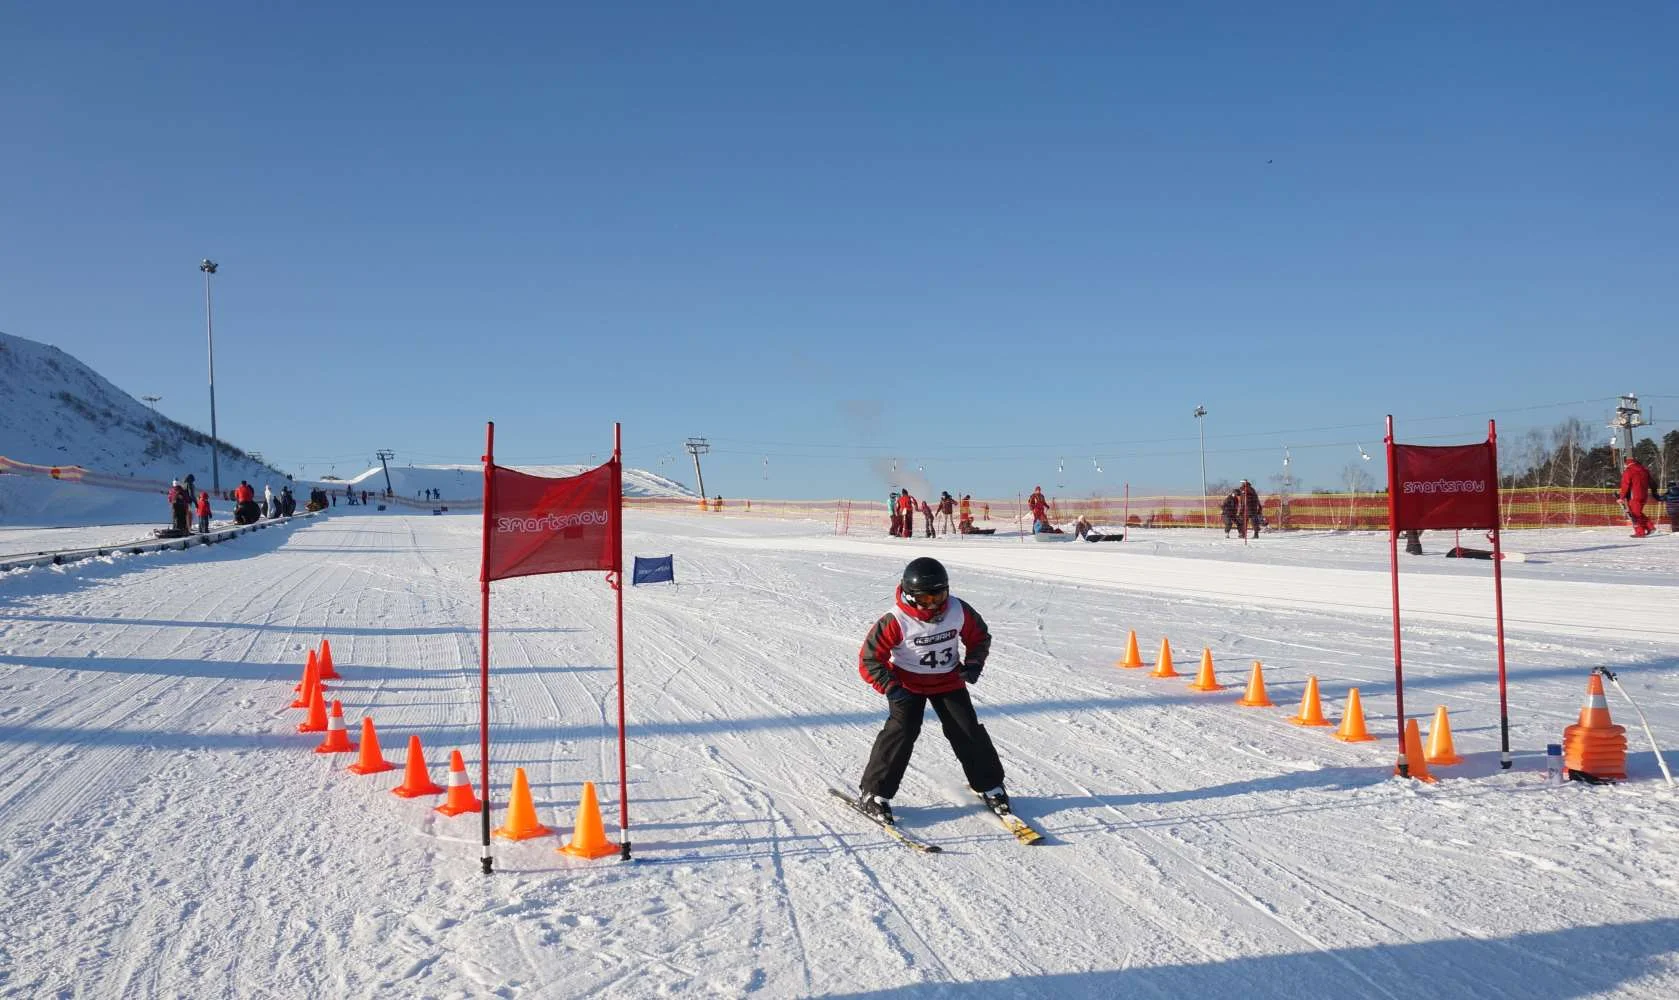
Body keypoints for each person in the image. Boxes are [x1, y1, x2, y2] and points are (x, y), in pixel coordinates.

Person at [854, 557, 1009, 823]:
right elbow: (870, 659)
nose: (935, 605)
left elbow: (979, 635)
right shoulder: (896, 620)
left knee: (966, 729)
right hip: (908, 685)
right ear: (910, 596)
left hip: (948, 681)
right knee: (902, 731)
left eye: (940, 596)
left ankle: (989, 786)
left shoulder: (957, 610)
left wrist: (973, 663)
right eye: (926, 600)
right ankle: (874, 794)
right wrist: (890, 686)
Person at [1619, 456, 1657, 537]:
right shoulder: (1644, 470)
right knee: (1638, 513)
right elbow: (1652, 482)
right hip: (1644, 495)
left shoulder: (1629, 471)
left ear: (1627, 464)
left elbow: (1625, 484)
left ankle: (1640, 532)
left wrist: (1621, 497)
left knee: (1634, 515)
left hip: (1634, 496)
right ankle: (1650, 527)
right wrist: (1654, 492)